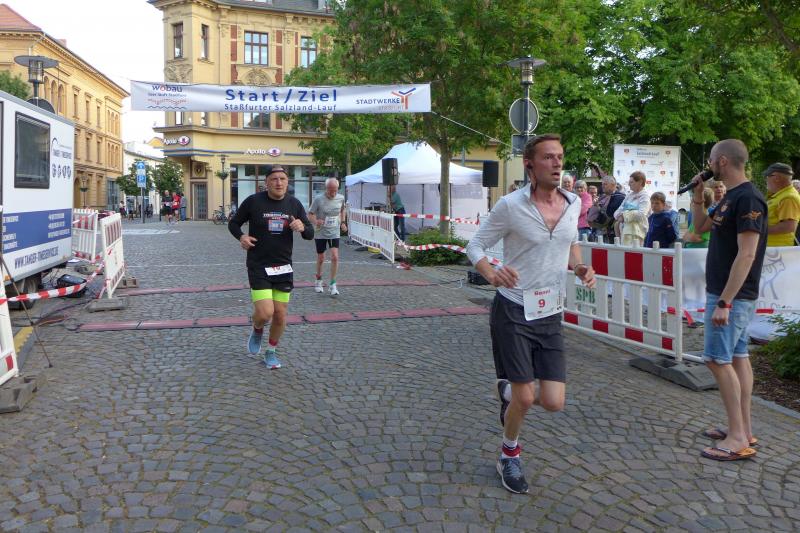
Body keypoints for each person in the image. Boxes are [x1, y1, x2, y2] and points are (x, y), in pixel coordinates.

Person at [466, 134, 596, 494]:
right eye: (548, 157)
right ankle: (509, 454)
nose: (557, 163)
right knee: (525, 398)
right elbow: (474, 245)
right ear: (530, 165)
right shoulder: (510, 205)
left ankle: (508, 393)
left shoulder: (573, 203)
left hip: (550, 312)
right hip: (513, 309)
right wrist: (492, 272)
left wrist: (579, 267)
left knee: (554, 402)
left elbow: (571, 242)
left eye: (560, 156)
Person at [689, 139, 766, 461]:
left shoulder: (748, 197)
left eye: (710, 160)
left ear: (721, 161)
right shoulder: (729, 197)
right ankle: (743, 428)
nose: (708, 165)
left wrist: (725, 302)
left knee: (716, 359)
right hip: (727, 294)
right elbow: (699, 227)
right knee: (736, 357)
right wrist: (697, 195)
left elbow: (747, 254)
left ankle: (736, 438)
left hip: (730, 295)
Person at [228, 165, 314, 369]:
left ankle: (271, 352)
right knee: (265, 312)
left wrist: (302, 227)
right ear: (266, 182)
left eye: (282, 179)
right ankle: (258, 327)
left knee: (280, 314)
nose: (278, 182)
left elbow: (310, 233)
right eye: (274, 179)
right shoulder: (253, 201)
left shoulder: (294, 204)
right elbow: (234, 223)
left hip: (283, 266)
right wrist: (242, 237)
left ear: (287, 182)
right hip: (258, 264)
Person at [308, 178, 347, 296]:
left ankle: (333, 284)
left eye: (335, 190)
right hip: (321, 232)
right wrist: (316, 221)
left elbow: (342, 210)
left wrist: (343, 222)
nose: (333, 193)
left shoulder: (341, 198)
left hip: (334, 231)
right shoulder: (318, 199)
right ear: (326, 188)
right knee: (321, 258)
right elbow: (310, 214)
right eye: (331, 190)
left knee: (335, 257)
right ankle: (318, 280)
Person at [763, 163, 800, 247]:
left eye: (767, 176)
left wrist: (758, 229)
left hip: (777, 250)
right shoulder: (781, 196)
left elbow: (789, 227)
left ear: (776, 178)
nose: (766, 180)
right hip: (773, 248)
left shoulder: (788, 198)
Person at [614, 171, 650, 246]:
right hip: (623, 232)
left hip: (637, 234)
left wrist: (624, 216)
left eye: (631, 182)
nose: (629, 184)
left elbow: (642, 214)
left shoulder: (645, 196)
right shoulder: (629, 195)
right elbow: (617, 211)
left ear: (640, 182)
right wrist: (620, 216)